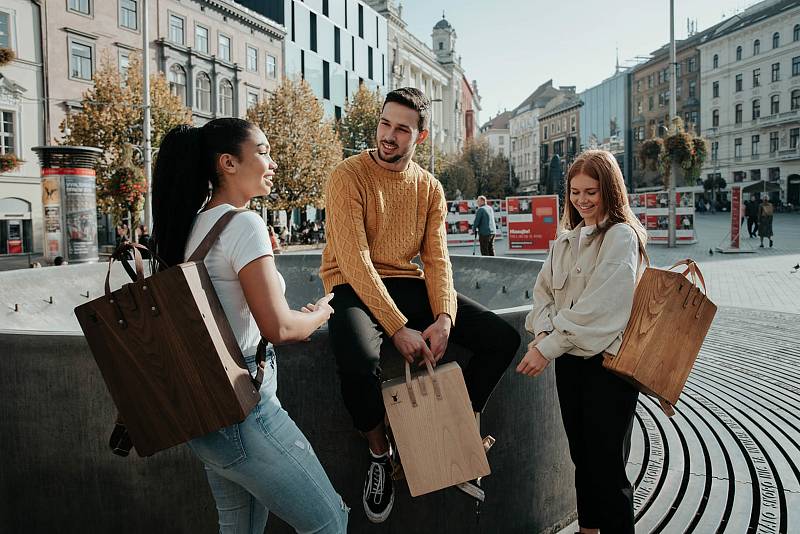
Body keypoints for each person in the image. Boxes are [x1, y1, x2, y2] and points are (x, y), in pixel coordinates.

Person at [320, 87, 521, 523]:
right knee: (356, 356)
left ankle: (447, 430)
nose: (388, 136)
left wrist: (445, 317)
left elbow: (437, 259)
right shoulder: (347, 175)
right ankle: (381, 454)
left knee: (502, 339)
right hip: (351, 284)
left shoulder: (430, 187)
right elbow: (354, 260)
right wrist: (397, 327)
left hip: (406, 283)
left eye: (401, 129)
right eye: (384, 124)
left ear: (420, 137)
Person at [150, 118, 348, 533]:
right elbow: (278, 327)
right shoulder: (243, 225)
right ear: (228, 163)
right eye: (262, 151)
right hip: (244, 407)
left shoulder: (189, 226)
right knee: (330, 522)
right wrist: (321, 313)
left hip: (204, 411)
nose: (272, 162)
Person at [517, 150, 648, 534]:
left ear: (610, 190)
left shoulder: (622, 237)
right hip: (570, 364)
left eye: (591, 191)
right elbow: (542, 296)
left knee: (608, 467)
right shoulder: (565, 240)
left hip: (607, 367)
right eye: (575, 192)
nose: (582, 200)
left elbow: (601, 310)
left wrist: (547, 345)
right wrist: (543, 334)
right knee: (583, 460)